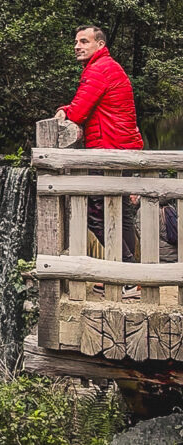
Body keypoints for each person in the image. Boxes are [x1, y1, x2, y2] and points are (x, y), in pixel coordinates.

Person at [54, 25, 144, 297]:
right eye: (76, 41)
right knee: (121, 214)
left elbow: (79, 112)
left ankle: (126, 275)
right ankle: (132, 277)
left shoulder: (99, 69)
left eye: (84, 41)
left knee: (97, 214)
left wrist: (64, 110)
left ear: (100, 45)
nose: (77, 46)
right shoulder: (107, 67)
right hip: (121, 150)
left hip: (108, 150)